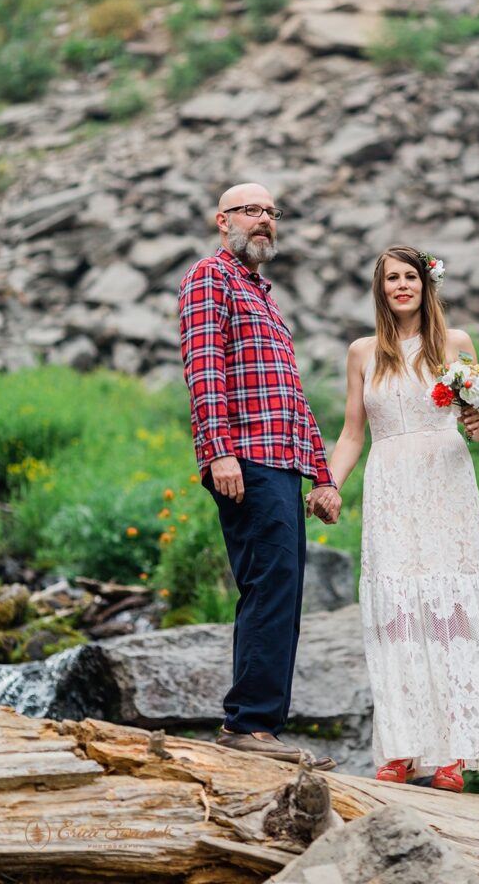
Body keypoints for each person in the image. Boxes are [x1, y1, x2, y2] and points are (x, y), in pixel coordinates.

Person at [321, 244, 479, 790]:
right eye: (391, 279)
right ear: (380, 290)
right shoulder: (361, 352)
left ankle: (455, 754)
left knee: (452, 610)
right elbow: (353, 432)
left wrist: (478, 424)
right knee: (399, 611)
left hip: (446, 480)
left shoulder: (455, 343)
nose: (401, 285)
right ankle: (403, 748)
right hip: (390, 483)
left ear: (426, 284)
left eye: (410, 277)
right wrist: (329, 484)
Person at [179, 182, 341, 769]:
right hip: (245, 460)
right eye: (252, 210)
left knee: (283, 589)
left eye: (271, 212)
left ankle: (259, 726)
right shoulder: (209, 276)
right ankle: (248, 726)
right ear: (222, 220)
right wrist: (217, 452)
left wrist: (321, 474)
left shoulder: (264, 297)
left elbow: (291, 397)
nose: (265, 220)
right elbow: (203, 367)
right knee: (268, 586)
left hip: (283, 464)